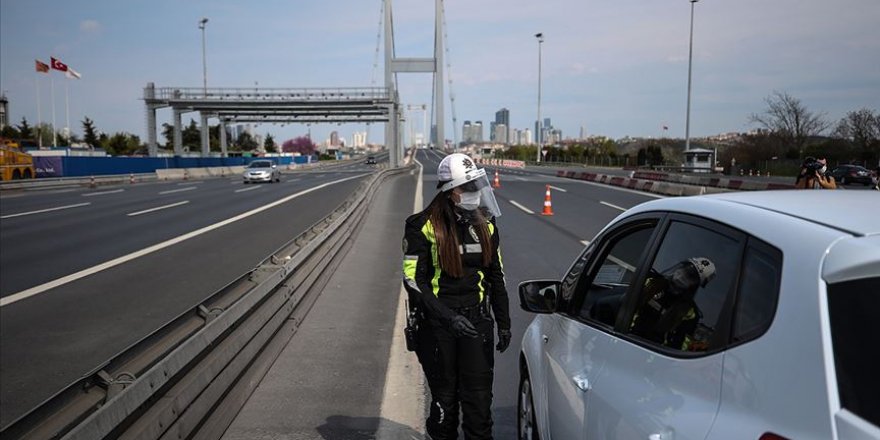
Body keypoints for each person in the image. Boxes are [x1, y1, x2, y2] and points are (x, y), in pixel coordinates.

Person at [402, 153, 511, 440]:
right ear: (451, 192)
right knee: (445, 408)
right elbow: (412, 279)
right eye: (468, 187)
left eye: (477, 185)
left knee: (479, 410)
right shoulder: (422, 225)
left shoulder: (485, 226)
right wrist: (448, 318)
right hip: (438, 327)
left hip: (476, 323)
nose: (475, 192)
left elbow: (496, 276)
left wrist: (504, 322)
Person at [629, 257, 716, 351]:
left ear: (695, 285)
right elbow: (625, 306)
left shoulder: (689, 313)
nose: (683, 275)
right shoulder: (651, 283)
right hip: (627, 337)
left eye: (691, 276)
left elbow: (679, 347)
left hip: (653, 352)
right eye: (685, 269)